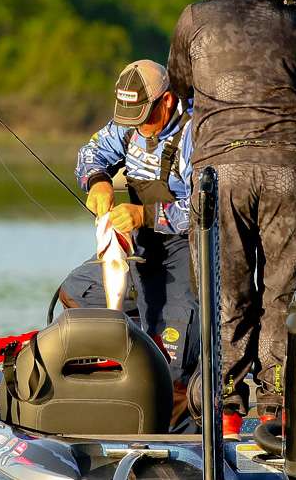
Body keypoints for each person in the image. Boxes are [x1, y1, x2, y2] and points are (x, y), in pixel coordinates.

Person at [166, 0, 296, 436]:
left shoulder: (195, 18)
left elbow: (179, 82)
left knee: (224, 292)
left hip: (222, 174)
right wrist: (292, 15)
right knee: (285, 292)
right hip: (290, 170)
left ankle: (226, 410)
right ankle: (277, 408)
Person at [59, 59, 199, 425]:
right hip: (139, 249)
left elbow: (206, 208)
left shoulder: (197, 132)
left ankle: (174, 432)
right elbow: (91, 153)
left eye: (144, 116)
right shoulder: (129, 123)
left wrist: (146, 215)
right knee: (76, 293)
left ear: (166, 100)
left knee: (174, 366)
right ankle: (130, 352)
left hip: (186, 251)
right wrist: (98, 181)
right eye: (130, 116)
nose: (137, 124)